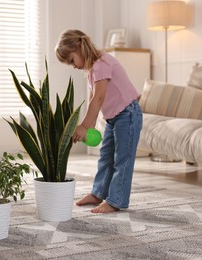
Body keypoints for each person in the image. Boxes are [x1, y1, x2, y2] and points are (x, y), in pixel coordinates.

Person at [55, 29, 142, 213]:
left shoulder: (102, 63)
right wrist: (89, 125)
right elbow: (94, 97)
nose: (73, 66)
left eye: (71, 60)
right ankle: (98, 193)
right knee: (106, 157)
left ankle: (116, 201)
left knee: (122, 160)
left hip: (128, 114)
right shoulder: (92, 69)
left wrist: (85, 125)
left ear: (78, 47)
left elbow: (99, 98)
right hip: (114, 118)